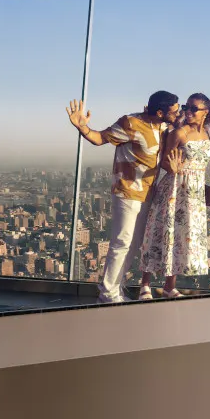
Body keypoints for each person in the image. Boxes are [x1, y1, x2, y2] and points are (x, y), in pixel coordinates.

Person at [66, 91, 180, 303]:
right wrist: (82, 127)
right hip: (127, 193)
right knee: (121, 243)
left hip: (148, 193)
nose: (178, 113)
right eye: (174, 111)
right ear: (160, 112)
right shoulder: (131, 123)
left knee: (134, 245)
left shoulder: (163, 127)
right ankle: (108, 294)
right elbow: (100, 138)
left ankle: (115, 288)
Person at [138, 93, 210, 298]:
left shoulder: (206, 133)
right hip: (174, 189)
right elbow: (164, 160)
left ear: (205, 112)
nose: (188, 111)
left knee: (182, 238)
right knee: (161, 233)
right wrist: (172, 167)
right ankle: (145, 284)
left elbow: (202, 160)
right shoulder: (179, 133)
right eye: (186, 107)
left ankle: (169, 287)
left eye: (193, 108)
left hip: (194, 195)